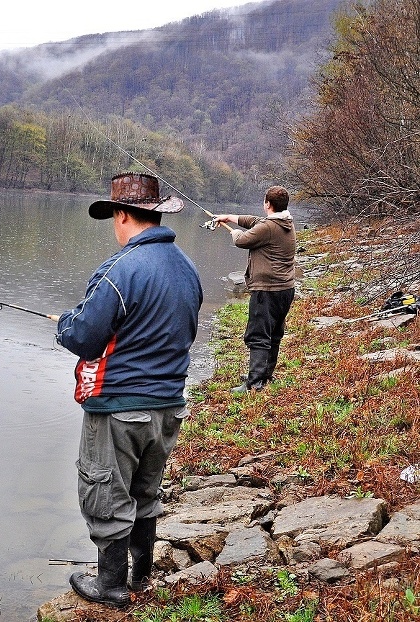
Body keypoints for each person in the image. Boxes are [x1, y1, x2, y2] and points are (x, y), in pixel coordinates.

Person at [54, 172, 203, 608]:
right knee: (146, 491)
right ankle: (140, 576)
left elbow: (84, 337)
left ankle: (112, 586)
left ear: (122, 215)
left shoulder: (120, 270)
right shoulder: (188, 268)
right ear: (155, 213)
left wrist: (65, 324)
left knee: (106, 493)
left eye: (113, 217)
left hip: (120, 408)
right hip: (169, 407)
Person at [212, 186, 296, 393]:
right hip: (285, 289)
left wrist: (235, 232)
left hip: (267, 291)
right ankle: (264, 373)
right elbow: (254, 221)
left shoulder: (268, 227)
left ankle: (255, 383)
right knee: (274, 333)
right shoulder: (285, 222)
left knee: (258, 334)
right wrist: (228, 217)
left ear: (268, 204)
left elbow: (242, 240)